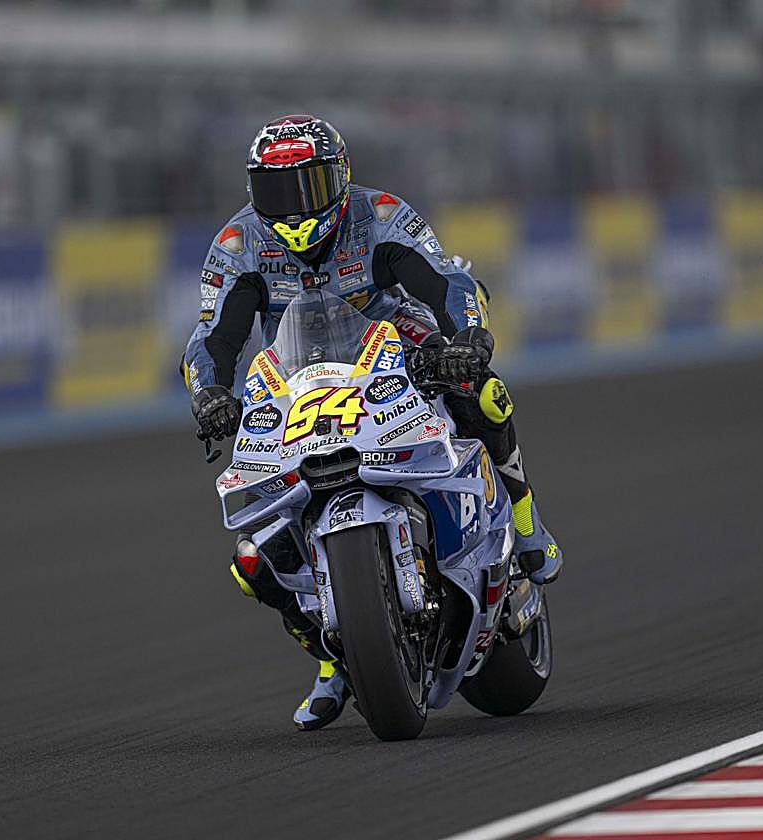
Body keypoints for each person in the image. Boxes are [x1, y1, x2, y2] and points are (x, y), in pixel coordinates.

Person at [182, 115, 562, 731]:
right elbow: (210, 338)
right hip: (299, 378)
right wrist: (210, 396)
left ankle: (524, 522)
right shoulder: (237, 244)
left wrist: (466, 335)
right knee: (251, 559)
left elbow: (448, 280)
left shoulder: (380, 214)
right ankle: (335, 656)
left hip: (394, 350)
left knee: (483, 393)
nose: (293, 207)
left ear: (340, 177)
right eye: (276, 191)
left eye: (306, 187)